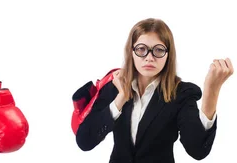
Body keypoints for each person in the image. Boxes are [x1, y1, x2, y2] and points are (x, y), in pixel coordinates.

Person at [75, 18, 233, 163]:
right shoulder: (114, 86)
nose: (149, 57)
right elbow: (85, 142)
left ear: (168, 55)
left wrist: (212, 90)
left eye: (158, 50)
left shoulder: (181, 93)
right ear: (131, 52)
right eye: (141, 49)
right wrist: (120, 100)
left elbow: (197, 150)